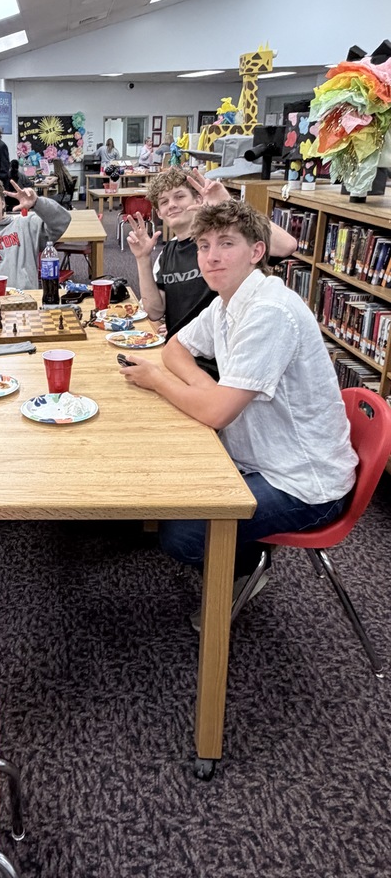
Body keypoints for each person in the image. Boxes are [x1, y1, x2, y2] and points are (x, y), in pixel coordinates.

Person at [120, 200, 357, 619]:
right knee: (160, 482)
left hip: (303, 480)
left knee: (182, 535)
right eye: (204, 245)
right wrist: (208, 389)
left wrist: (162, 382)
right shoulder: (228, 299)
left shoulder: (269, 311)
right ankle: (243, 545)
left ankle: (245, 570)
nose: (211, 257)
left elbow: (213, 413)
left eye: (226, 244)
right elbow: (175, 348)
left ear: (256, 252)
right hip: (255, 453)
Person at [126, 168, 298, 359]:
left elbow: (287, 245)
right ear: (159, 212)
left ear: (198, 199)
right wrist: (142, 258)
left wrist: (227, 204)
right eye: (164, 202)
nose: (172, 205)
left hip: (223, 357)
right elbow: (154, 312)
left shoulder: (227, 243)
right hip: (180, 354)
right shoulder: (167, 253)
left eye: (179, 196)